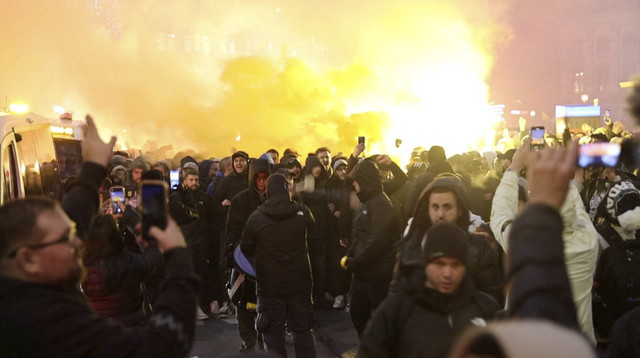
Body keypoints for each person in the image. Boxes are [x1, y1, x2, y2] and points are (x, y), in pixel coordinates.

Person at [0, 115, 200, 357]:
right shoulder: (46, 323)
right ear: (28, 259)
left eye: (73, 232)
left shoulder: (31, 269)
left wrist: (93, 167)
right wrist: (178, 257)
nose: (77, 240)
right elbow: (161, 346)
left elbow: (73, 215)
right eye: (66, 239)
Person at [491, 140, 598, 341]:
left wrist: (515, 167)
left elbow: (500, 214)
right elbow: (578, 209)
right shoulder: (588, 241)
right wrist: (568, 180)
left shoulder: (524, 242)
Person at [357, 223, 500, 358]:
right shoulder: (398, 309)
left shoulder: (485, 309)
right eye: (439, 264)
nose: (447, 273)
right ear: (425, 263)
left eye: (455, 265)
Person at [240, 174, 317, 357]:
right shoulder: (302, 211)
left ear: (268, 191)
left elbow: (245, 247)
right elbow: (314, 235)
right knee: (302, 330)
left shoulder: (256, 217)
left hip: (270, 286)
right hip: (300, 282)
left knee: (273, 334)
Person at [398, 174, 504, 304]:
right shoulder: (413, 245)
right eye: (435, 207)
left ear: (460, 210)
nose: (440, 215)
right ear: (428, 209)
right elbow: (398, 296)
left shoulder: (478, 248)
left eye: (447, 207)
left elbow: (493, 296)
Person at [342, 159, 401, 338]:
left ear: (365, 181)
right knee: (358, 314)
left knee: (374, 318)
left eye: (357, 180)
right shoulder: (369, 202)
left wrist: (355, 262)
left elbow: (377, 242)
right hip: (364, 272)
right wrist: (351, 252)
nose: (354, 184)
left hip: (376, 274)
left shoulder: (381, 204)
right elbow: (361, 235)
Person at [82, 214, 163, 326]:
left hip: (99, 333)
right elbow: (154, 253)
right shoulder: (129, 263)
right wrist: (129, 215)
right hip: (131, 332)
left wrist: (97, 217)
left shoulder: (82, 268)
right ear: (114, 235)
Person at [224, 157, 271, 352]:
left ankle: (267, 337)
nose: (261, 182)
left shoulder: (277, 197)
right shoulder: (241, 199)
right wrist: (230, 256)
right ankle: (249, 340)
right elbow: (232, 230)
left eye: (265, 178)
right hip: (244, 258)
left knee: (268, 303)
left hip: (270, 259)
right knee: (244, 304)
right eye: (258, 178)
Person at [169, 167, 214, 320]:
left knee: (199, 274)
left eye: (196, 180)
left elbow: (209, 219)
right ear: (184, 181)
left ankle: (197, 305)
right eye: (191, 180)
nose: (194, 183)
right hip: (185, 242)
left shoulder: (205, 198)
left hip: (201, 243)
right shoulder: (177, 198)